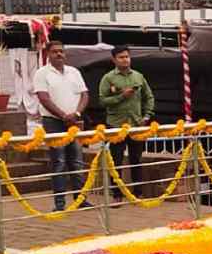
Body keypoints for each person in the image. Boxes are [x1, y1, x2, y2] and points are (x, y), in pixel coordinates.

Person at [33, 41, 92, 211]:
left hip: (74, 121)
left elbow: (85, 95)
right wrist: (63, 115)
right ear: (47, 54)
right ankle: (60, 204)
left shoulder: (74, 72)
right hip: (53, 122)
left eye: (61, 51)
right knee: (58, 162)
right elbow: (44, 98)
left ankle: (80, 199)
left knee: (77, 161)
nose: (59, 54)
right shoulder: (41, 74)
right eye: (55, 52)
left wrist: (77, 114)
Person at [98, 45, 155, 201]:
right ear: (114, 59)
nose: (125, 60)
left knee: (136, 159)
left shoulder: (138, 76)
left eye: (127, 56)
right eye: (121, 57)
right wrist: (122, 96)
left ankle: (138, 193)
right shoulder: (108, 78)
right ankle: (117, 194)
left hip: (136, 125)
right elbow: (102, 101)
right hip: (116, 125)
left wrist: (147, 116)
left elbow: (149, 97)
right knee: (116, 161)